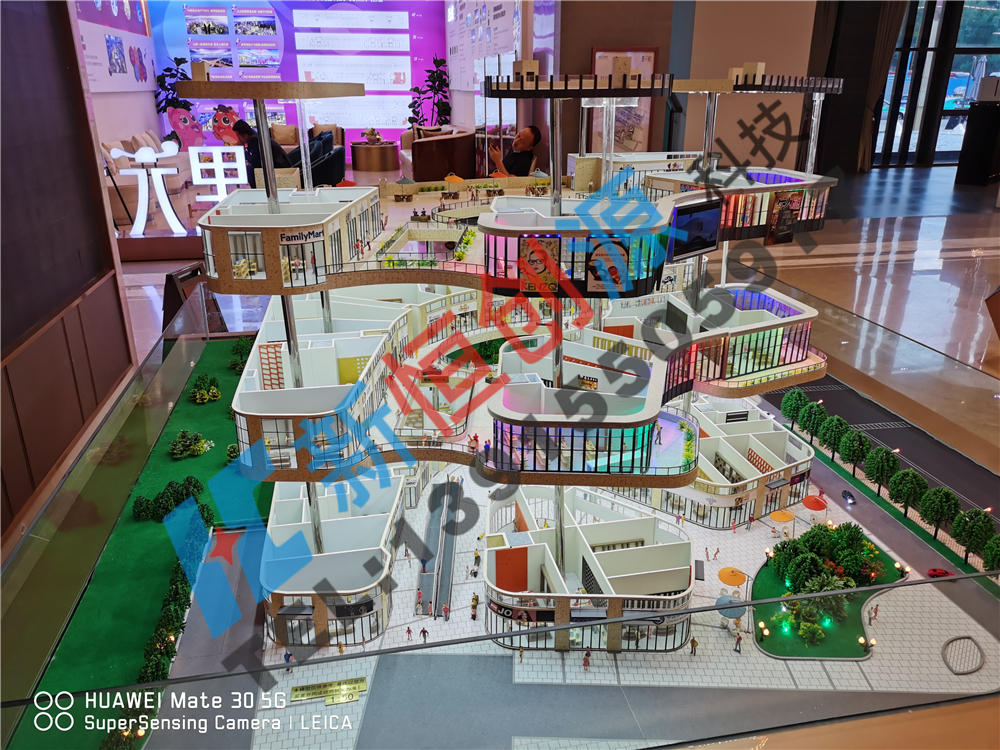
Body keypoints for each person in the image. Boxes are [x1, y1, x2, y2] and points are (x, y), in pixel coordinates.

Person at [232, 120, 292, 188]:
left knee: (248, 170)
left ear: (246, 135)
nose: (238, 139)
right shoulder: (255, 137)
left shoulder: (255, 140)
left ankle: (257, 189)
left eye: (238, 137)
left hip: (279, 166)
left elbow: (255, 162)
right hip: (278, 163)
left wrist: (242, 150)